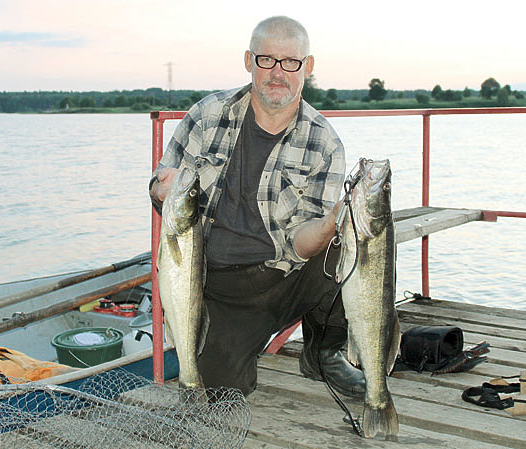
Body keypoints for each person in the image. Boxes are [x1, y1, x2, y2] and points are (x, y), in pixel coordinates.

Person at [149, 15, 365, 398]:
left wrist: (332, 223)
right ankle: (227, 350)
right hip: (216, 286)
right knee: (220, 395)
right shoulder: (207, 115)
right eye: (266, 60)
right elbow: (162, 184)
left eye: (290, 62)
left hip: (285, 274)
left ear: (307, 67)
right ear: (249, 60)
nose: (277, 73)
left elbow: (300, 243)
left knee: (360, 243)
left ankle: (324, 351)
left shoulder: (324, 143)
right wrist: (161, 189)